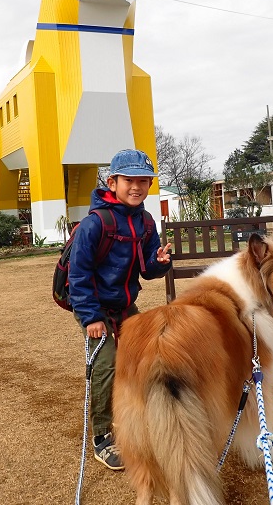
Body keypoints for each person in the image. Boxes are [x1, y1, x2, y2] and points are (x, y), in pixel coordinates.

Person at [68, 149, 172, 471]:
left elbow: (147, 269)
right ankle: (103, 437)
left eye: (144, 181)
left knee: (144, 359)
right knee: (107, 366)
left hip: (126, 305)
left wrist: (160, 262)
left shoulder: (145, 221)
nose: (137, 187)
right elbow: (78, 276)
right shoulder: (94, 224)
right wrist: (91, 318)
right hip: (95, 308)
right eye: (129, 180)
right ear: (112, 182)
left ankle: (137, 422)